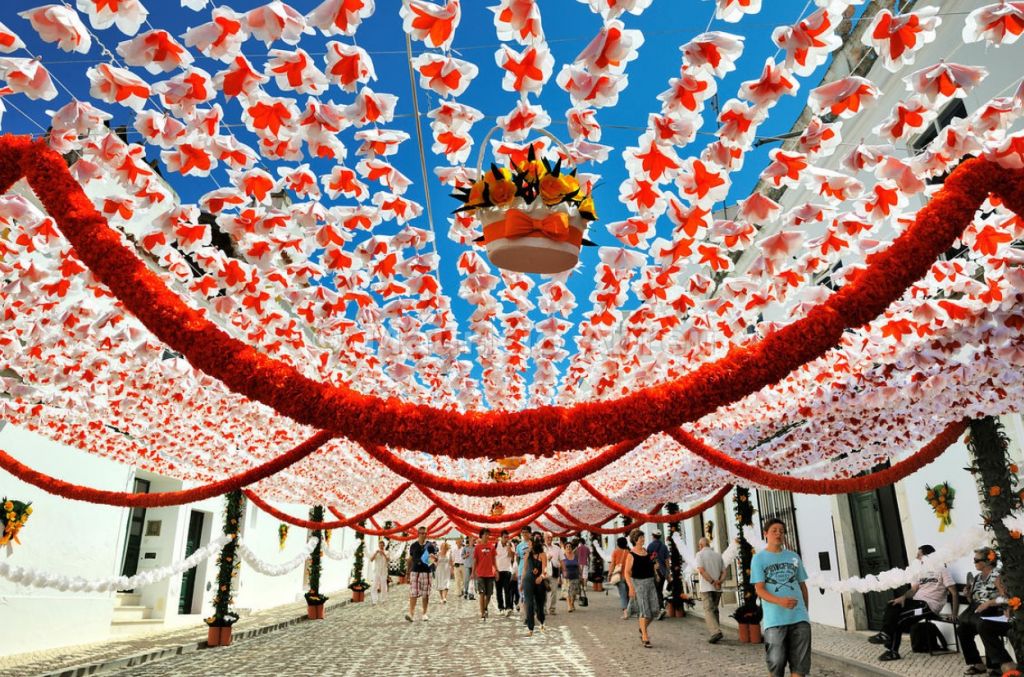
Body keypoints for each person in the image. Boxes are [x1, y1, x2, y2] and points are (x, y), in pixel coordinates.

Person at [870, 544, 958, 661]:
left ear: (928, 556)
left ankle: (891, 650)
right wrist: (903, 597)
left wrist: (954, 614)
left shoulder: (941, 570)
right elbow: (913, 590)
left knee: (899, 620)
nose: (917, 558)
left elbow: (954, 592)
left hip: (929, 606)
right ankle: (886, 636)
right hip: (917, 603)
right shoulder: (919, 571)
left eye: (919, 555)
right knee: (892, 604)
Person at [752, 518, 811, 677]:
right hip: (775, 620)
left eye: (782, 531)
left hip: (799, 618)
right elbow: (760, 590)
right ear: (765, 534)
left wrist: (805, 612)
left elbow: (802, 586)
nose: (778, 534)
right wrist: (780, 601)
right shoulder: (758, 559)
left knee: (800, 666)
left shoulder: (793, 557)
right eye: (774, 530)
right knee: (775, 664)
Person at [958, 546, 1012, 675]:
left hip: (995, 612)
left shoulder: (998, 575)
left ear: (988, 561)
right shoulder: (977, 577)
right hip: (978, 612)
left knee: (983, 626)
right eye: (974, 560)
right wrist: (968, 595)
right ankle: (977, 663)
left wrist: (989, 602)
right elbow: (974, 602)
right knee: (962, 630)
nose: (974, 562)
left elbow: (1006, 597)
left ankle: (996, 666)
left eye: (977, 560)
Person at [624, 528, 658, 647]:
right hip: (639, 584)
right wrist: (631, 587)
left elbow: (651, 565)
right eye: (640, 538)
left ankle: (642, 628)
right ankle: (645, 636)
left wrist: (656, 572)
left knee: (655, 610)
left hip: (650, 583)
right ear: (635, 540)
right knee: (644, 611)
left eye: (643, 537)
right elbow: (627, 572)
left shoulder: (646, 552)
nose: (643, 539)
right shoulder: (631, 555)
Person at [695, 537, 726, 643]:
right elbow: (724, 571)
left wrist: (712, 582)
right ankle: (717, 630)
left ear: (700, 545)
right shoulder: (718, 555)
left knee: (708, 610)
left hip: (707, 586)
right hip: (717, 587)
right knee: (715, 609)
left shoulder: (699, 555)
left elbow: (701, 570)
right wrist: (719, 582)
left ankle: (715, 632)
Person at [406, 527, 436, 622]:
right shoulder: (413, 545)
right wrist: (407, 572)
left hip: (426, 572)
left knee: (425, 594)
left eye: (425, 533)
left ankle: (424, 613)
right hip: (415, 571)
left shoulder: (430, 545)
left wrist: (433, 558)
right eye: (421, 533)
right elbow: (410, 559)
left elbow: (434, 558)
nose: (423, 535)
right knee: (413, 593)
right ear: (418, 534)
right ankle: (411, 613)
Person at [522, 537, 548, 637]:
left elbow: (545, 568)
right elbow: (524, 569)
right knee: (529, 604)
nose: (528, 545)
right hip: (528, 581)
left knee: (540, 604)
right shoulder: (527, 555)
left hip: (539, 581)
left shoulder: (542, 554)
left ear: (534, 544)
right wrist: (521, 583)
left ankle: (541, 621)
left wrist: (541, 577)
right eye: (528, 544)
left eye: (530, 543)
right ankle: (530, 628)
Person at [474, 528, 498, 620]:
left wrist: (496, 570)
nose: (487, 536)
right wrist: (473, 572)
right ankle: (482, 613)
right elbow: (475, 560)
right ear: (481, 535)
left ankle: (485, 607)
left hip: (490, 574)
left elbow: (494, 560)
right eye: (485, 534)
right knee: (482, 593)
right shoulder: (477, 547)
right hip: (480, 573)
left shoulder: (491, 546)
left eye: (488, 534)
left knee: (489, 594)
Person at [647, 530, 670, 620]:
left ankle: (660, 609)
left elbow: (648, 560)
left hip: (654, 572)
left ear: (653, 536)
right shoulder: (664, 546)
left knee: (657, 591)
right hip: (663, 572)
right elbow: (667, 560)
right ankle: (660, 608)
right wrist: (667, 572)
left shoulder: (650, 546)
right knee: (659, 590)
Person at [610, 536, 632, 620]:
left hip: (619, 576)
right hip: (629, 575)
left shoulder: (615, 552)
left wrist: (610, 574)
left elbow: (612, 564)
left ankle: (626, 613)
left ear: (618, 544)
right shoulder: (629, 552)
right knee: (629, 593)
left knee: (623, 594)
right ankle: (632, 610)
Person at [496, 530, 515, 616]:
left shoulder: (511, 545)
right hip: (498, 570)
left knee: (507, 590)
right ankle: (501, 607)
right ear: (501, 537)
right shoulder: (496, 545)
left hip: (507, 570)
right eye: (504, 537)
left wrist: (509, 549)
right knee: (499, 590)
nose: (506, 539)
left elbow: (512, 558)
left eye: (507, 537)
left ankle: (508, 607)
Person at [544, 533, 562, 615]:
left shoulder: (557, 548)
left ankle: (552, 609)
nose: (549, 539)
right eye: (547, 537)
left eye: (550, 537)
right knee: (543, 591)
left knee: (554, 591)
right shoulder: (541, 547)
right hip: (544, 572)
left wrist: (563, 572)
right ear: (544, 538)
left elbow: (561, 560)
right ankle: (544, 608)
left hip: (554, 571)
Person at [562, 541, 582, 612]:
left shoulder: (575, 556)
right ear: (565, 548)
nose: (568, 548)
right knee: (567, 592)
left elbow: (579, 566)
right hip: (566, 577)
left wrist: (581, 575)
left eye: (570, 546)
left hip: (575, 576)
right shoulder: (563, 556)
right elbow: (561, 566)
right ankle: (569, 606)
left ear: (571, 548)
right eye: (567, 547)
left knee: (573, 593)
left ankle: (572, 603)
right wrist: (561, 575)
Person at [369, 538, 390, 605]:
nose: (381, 546)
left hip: (383, 572)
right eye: (380, 545)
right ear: (378, 545)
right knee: (374, 586)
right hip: (376, 571)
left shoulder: (387, 552)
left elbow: (388, 560)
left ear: (384, 545)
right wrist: (376, 553)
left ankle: (383, 599)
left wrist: (383, 553)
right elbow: (371, 559)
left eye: (382, 545)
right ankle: (374, 600)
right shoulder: (376, 552)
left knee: (383, 586)